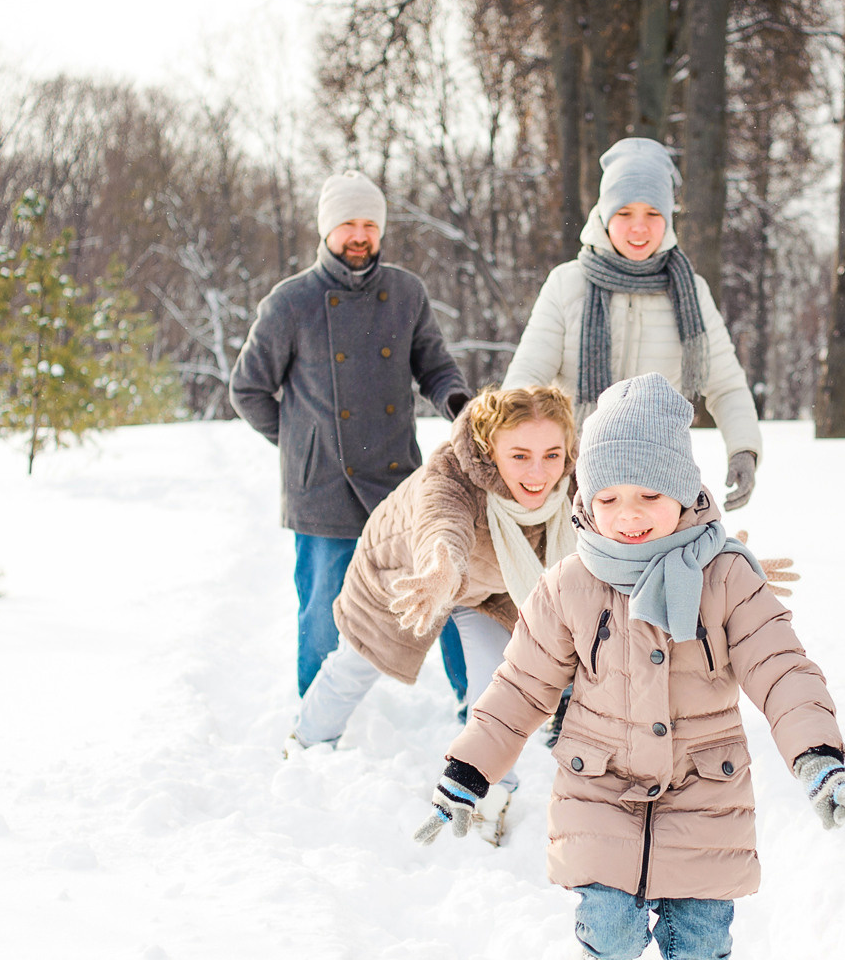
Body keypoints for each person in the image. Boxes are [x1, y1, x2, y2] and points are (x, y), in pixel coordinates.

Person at [415, 373, 845, 960]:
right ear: (585, 500)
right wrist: (468, 771)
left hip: (704, 789)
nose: (628, 517)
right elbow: (521, 687)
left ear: (686, 496)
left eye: (649, 498)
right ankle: (608, 959)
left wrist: (818, 755)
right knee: (609, 917)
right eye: (610, 498)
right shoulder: (569, 585)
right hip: (599, 783)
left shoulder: (726, 580)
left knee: (702, 947)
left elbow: (781, 667)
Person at [290, 384, 580, 843]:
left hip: (490, 585)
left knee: (498, 681)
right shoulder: (452, 472)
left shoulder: (574, 480)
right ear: (489, 449)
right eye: (520, 456)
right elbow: (440, 522)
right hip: (407, 573)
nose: (539, 471)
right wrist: (441, 566)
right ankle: (305, 740)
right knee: (360, 662)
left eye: (552, 455)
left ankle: (490, 790)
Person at [230, 170, 469, 697]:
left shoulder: (407, 293)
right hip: (322, 488)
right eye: (347, 224)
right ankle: (317, 716)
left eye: (369, 224)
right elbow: (247, 389)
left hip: (397, 480)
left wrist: (457, 402)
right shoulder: (290, 302)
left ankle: (474, 703)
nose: (359, 235)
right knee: (322, 607)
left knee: (447, 590)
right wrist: (304, 446)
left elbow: (435, 367)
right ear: (326, 230)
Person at [503, 136, 764, 511]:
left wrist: (744, 449)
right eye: (625, 213)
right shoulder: (568, 283)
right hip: (575, 474)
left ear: (669, 219)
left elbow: (725, 384)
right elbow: (527, 381)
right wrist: (510, 449)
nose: (639, 228)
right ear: (604, 215)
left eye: (653, 214)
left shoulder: (690, 291)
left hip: (656, 482)